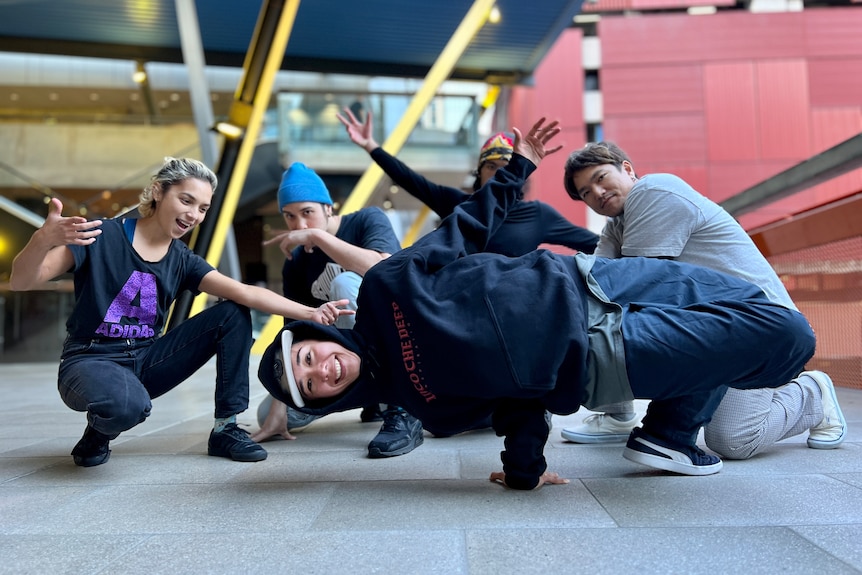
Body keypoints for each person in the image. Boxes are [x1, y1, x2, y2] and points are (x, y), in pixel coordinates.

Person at [256, 118, 816, 490]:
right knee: (789, 335)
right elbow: (517, 407)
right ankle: (732, 411)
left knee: (744, 298)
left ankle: (671, 430)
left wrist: (518, 168)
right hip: (605, 356)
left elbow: (463, 230)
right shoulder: (432, 408)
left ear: (321, 339)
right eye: (314, 385)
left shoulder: (385, 288)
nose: (325, 370)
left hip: (597, 280)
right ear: (328, 400)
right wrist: (524, 472)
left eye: (310, 358)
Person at [9, 157, 351, 468]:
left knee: (233, 312)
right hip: (90, 360)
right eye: (186, 200)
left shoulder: (181, 259)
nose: (193, 215)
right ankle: (99, 433)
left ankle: (226, 428)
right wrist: (42, 239)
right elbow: (23, 281)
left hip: (146, 360)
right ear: (159, 192)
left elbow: (246, 291)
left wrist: (311, 312)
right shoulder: (102, 236)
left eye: (202, 208)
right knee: (129, 406)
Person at [559, 141, 847, 458]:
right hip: (718, 329)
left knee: (735, 440)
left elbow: (635, 285)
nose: (596, 193)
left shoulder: (655, 191)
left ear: (627, 168)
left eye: (600, 178)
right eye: (585, 192)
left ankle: (812, 394)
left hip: (762, 329)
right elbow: (596, 288)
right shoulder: (616, 227)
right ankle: (618, 415)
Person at [251, 162, 424, 459]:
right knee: (269, 411)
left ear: (328, 208)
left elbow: (385, 270)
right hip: (335, 362)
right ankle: (372, 396)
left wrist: (319, 239)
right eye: (290, 217)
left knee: (345, 284)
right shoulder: (295, 263)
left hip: (400, 338)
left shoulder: (367, 220)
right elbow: (292, 333)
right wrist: (282, 402)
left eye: (308, 213)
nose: (300, 226)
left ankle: (401, 405)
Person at [336, 107, 599, 256]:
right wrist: (371, 146)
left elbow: (596, 245)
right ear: (479, 172)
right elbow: (409, 179)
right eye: (491, 167)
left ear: (519, 174)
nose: (498, 174)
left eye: (506, 168)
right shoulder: (459, 204)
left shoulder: (539, 215)